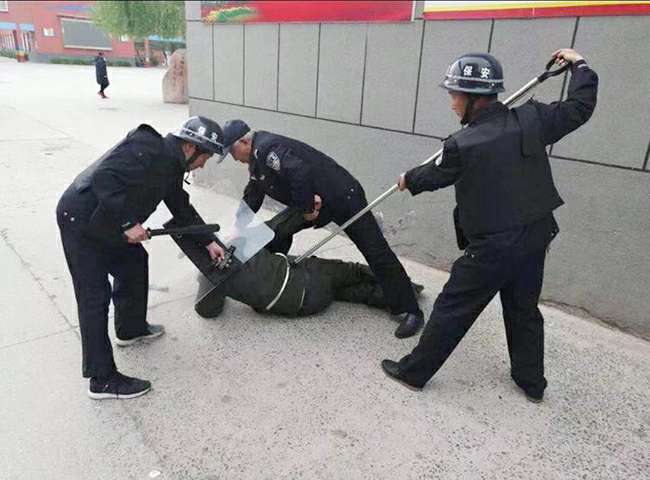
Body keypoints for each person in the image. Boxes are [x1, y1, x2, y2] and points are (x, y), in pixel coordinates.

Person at [381, 49, 598, 403]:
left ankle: (413, 372)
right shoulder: (532, 119)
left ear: (474, 98)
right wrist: (580, 66)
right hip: (536, 234)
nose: (451, 102)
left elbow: (436, 174)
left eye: (454, 94)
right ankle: (531, 382)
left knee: (453, 306)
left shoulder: (461, 144)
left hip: (494, 247)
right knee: (523, 309)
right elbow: (579, 107)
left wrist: (409, 179)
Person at [56, 116, 227, 400]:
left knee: (134, 263)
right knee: (94, 297)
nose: (202, 164)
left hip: (106, 222)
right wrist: (128, 223)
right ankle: (102, 380)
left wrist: (208, 241)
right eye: (205, 157)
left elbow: (181, 207)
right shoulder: (148, 146)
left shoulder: (171, 166)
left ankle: (130, 328)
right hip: (80, 220)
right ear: (189, 147)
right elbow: (104, 177)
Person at [221, 120, 424, 338]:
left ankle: (410, 309)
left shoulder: (267, 149)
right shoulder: (257, 161)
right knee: (277, 231)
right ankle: (275, 280)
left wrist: (307, 208)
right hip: (317, 202)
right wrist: (238, 226)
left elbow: (299, 171)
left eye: (232, 152)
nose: (234, 158)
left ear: (244, 142)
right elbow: (253, 193)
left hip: (342, 196)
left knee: (375, 251)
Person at [182, 208, 423, 319]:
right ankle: (406, 289)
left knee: (345, 292)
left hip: (302, 306)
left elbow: (207, 311)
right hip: (307, 278)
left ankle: (386, 298)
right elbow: (280, 226)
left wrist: (219, 285)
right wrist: (311, 211)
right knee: (352, 272)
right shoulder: (239, 243)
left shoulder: (209, 278)